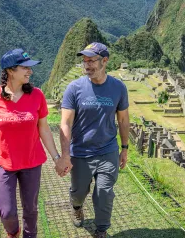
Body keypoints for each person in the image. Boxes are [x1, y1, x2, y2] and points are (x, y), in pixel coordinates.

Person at [0, 48, 72, 238]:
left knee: (31, 208)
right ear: (11, 71)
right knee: (6, 211)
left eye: (30, 67)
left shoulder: (37, 95)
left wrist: (57, 158)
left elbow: (44, 129)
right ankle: (13, 231)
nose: (30, 71)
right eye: (25, 67)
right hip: (3, 163)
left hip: (31, 161)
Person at [60, 42, 130, 238]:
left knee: (104, 193)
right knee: (79, 192)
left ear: (105, 61)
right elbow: (65, 123)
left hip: (107, 150)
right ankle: (76, 206)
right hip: (81, 151)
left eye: (91, 60)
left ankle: (101, 230)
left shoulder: (118, 88)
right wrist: (65, 154)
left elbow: (123, 119)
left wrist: (124, 148)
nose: (87, 65)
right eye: (85, 61)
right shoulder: (74, 88)